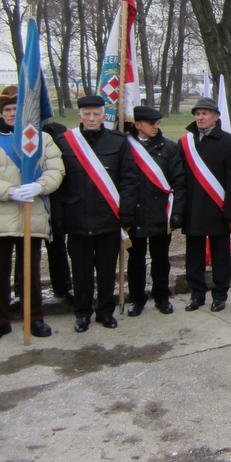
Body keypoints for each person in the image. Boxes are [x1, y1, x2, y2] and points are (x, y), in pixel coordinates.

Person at [0, 86, 65, 342]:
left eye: (15, 110)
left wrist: (40, 186)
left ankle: (35, 317)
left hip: (33, 213)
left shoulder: (43, 139)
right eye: (6, 109)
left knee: (31, 270)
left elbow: (55, 170)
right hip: (1, 214)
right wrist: (11, 192)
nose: (10, 113)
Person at [53, 95, 139, 332]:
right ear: (79, 116)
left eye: (96, 114)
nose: (91, 119)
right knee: (80, 271)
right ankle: (82, 313)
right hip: (76, 217)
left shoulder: (118, 141)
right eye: (86, 114)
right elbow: (59, 183)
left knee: (106, 269)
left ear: (104, 116)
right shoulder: (65, 142)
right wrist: (59, 215)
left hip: (108, 217)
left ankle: (105, 312)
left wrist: (127, 213)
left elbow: (129, 180)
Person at [179, 97, 231, 313]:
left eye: (205, 113)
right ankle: (197, 295)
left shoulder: (230, 143)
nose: (200, 117)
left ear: (216, 116)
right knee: (194, 255)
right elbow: (181, 179)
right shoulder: (185, 142)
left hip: (218, 209)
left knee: (220, 255)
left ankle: (220, 295)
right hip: (193, 209)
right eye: (197, 113)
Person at [125, 106, 186, 316]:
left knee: (160, 259)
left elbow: (178, 181)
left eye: (157, 123)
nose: (155, 127)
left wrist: (177, 211)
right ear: (137, 124)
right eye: (151, 123)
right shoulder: (125, 146)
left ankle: (162, 297)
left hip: (160, 212)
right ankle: (137, 299)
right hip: (135, 213)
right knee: (135, 260)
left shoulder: (169, 147)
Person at [42, 121, 73, 302]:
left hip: (57, 199)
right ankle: (20, 291)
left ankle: (63, 287)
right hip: (32, 198)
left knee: (57, 245)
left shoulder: (62, 138)